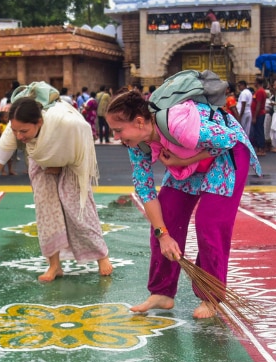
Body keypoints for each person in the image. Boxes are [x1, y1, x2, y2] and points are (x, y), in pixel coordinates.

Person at [106, 90, 262, 319]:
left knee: (209, 222)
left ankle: (210, 296)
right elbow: (145, 190)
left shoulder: (176, 124)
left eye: (118, 130)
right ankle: (162, 292)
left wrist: (183, 160)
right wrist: (163, 235)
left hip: (225, 154)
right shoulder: (137, 145)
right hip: (187, 158)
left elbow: (228, 139)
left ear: (139, 122)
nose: (117, 136)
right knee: (166, 216)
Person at [0, 84, 113, 282]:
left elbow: (82, 145)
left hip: (72, 161)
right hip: (41, 162)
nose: (19, 136)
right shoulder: (14, 132)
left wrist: (60, 165)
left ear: (40, 122)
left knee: (78, 207)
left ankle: (102, 256)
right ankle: (54, 265)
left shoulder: (64, 123)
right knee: (46, 211)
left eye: (24, 131)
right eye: (15, 131)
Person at [251, 78, 268, 156]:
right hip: (258, 114)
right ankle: (258, 148)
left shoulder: (260, 91)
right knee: (257, 131)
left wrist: (254, 117)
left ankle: (261, 148)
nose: (254, 83)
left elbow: (258, 104)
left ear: (257, 82)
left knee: (259, 131)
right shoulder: (258, 91)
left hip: (259, 114)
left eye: (255, 82)